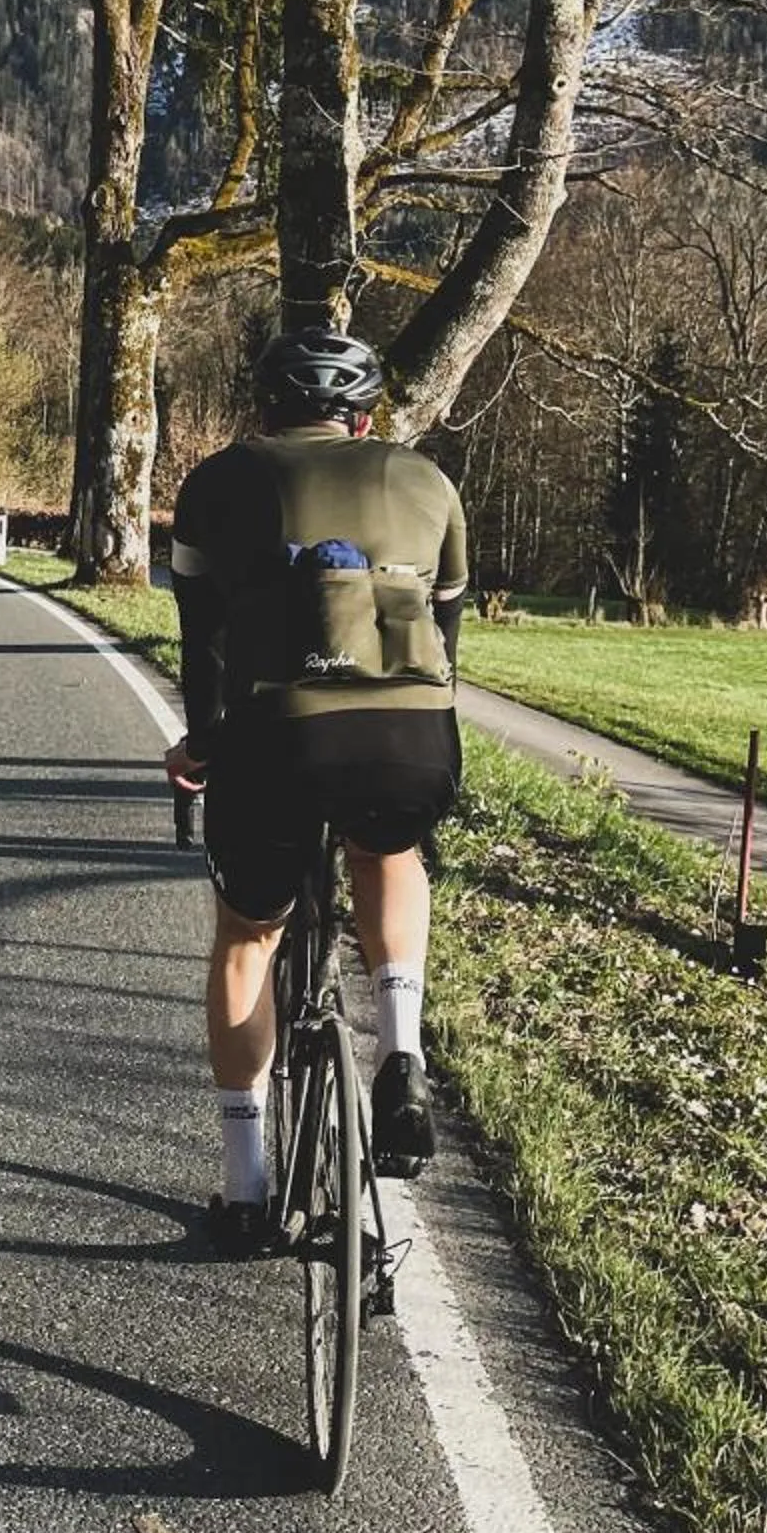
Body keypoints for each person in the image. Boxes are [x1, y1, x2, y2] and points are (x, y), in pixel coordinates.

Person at [163, 327, 470, 1255]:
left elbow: (202, 639)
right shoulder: (427, 480)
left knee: (247, 936)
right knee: (391, 850)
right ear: (365, 414)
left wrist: (202, 743)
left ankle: (248, 1192)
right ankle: (402, 1049)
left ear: (264, 408)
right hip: (410, 734)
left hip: (275, 739)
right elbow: (448, 640)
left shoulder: (217, 481)